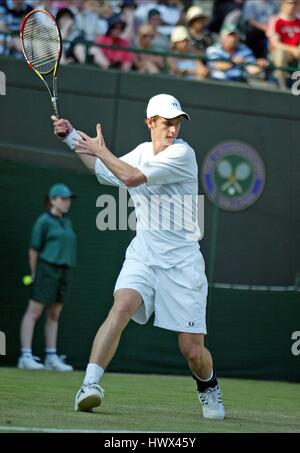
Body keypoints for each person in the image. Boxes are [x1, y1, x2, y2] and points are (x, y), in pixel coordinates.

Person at [51, 94, 225, 419]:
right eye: (166, 123)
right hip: (144, 254)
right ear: (150, 123)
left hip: (183, 264)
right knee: (121, 307)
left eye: (176, 123)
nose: (172, 129)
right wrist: (71, 138)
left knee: (192, 350)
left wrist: (102, 149)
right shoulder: (142, 153)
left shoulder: (183, 154)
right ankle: (89, 385)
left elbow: (129, 177)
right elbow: (105, 172)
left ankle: (208, 387)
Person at [18, 183, 76, 372]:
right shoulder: (43, 221)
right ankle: (25, 356)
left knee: (54, 314)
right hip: (46, 269)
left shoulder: (67, 222)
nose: (67, 203)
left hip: (65, 270)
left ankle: (51, 356)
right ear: (52, 199)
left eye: (68, 199)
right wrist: (35, 273)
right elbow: (34, 250)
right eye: (63, 198)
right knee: (34, 312)